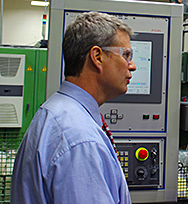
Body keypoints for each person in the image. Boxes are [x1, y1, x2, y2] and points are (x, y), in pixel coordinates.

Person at [11, 12, 136, 203]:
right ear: (97, 57)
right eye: (126, 55)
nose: (132, 66)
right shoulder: (80, 140)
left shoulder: (57, 112)